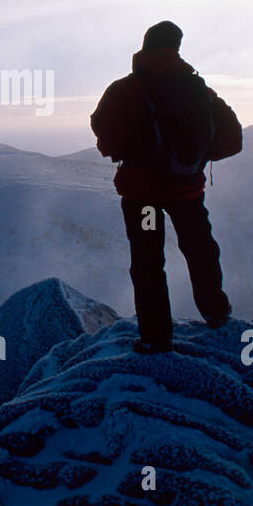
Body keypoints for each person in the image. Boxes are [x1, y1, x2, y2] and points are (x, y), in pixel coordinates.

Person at [90, 20, 238, 354]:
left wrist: (131, 152)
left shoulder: (124, 90)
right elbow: (232, 140)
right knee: (200, 250)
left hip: (143, 197)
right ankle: (217, 312)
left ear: (144, 47)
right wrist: (194, 159)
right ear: (176, 48)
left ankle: (156, 337)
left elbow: (105, 139)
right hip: (187, 192)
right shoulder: (200, 90)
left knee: (147, 261)